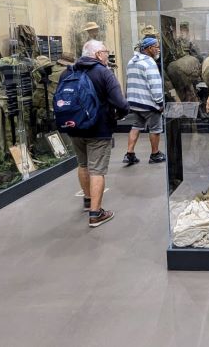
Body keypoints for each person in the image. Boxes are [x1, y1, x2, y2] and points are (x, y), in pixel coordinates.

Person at [58, 40, 128, 227]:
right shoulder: (104, 73)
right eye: (106, 52)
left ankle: (88, 201)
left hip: (74, 127)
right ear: (98, 55)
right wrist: (121, 113)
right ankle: (96, 214)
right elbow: (121, 103)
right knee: (97, 170)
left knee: (82, 164)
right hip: (99, 129)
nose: (107, 55)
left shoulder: (68, 72)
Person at [123, 37, 166, 166]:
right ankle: (155, 154)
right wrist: (160, 103)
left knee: (136, 126)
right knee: (155, 129)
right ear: (148, 48)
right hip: (149, 105)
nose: (158, 49)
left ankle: (129, 154)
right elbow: (155, 84)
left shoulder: (131, 61)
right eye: (156, 46)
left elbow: (129, 82)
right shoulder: (150, 63)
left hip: (134, 103)